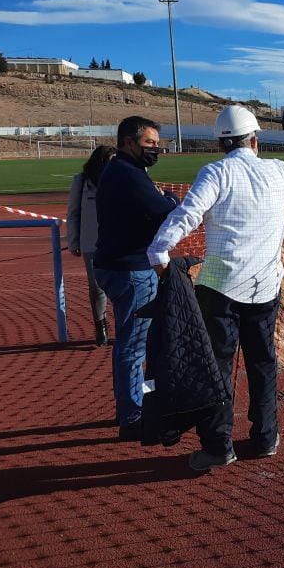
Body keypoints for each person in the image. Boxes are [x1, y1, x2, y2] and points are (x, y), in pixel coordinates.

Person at [148, 105, 284, 471]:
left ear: (222, 143)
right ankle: (266, 436)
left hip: (219, 290)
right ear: (255, 139)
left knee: (217, 367)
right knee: (263, 362)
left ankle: (219, 446)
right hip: (266, 289)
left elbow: (189, 213)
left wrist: (159, 249)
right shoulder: (279, 172)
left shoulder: (216, 172)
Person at [94, 117, 179, 441]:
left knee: (134, 342)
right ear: (128, 142)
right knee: (134, 345)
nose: (155, 149)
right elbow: (163, 210)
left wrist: (162, 199)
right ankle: (132, 416)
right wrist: (171, 197)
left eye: (157, 144)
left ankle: (132, 406)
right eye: (149, 144)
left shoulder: (121, 171)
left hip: (118, 266)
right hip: (129, 270)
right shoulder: (127, 173)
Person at [66, 144, 117, 346]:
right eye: (110, 160)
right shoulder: (82, 181)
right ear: (99, 161)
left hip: (117, 242)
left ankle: (122, 324)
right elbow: (73, 213)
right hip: (91, 242)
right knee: (96, 287)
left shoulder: (119, 180)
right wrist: (73, 241)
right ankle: (101, 325)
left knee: (121, 286)